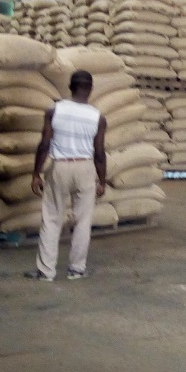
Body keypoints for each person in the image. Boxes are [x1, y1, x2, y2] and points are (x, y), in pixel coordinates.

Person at [26, 70, 107, 282]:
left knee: (52, 218)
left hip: (60, 166)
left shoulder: (54, 111)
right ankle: (77, 269)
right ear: (90, 89)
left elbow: (44, 143)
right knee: (83, 221)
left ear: (70, 87)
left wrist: (36, 173)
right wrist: (102, 180)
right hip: (85, 167)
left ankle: (46, 271)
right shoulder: (98, 117)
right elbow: (99, 153)